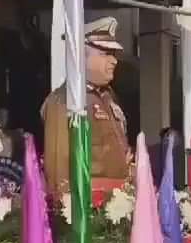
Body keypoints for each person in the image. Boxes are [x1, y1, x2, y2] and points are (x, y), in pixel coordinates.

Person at [41, 17, 131, 195]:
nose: (114, 61)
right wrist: (66, 210)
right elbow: (59, 168)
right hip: (88, 207)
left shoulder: (106, 97)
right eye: (106, 53)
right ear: (82, 56)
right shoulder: (65, 100)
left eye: (114, 54)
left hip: (116, 204)